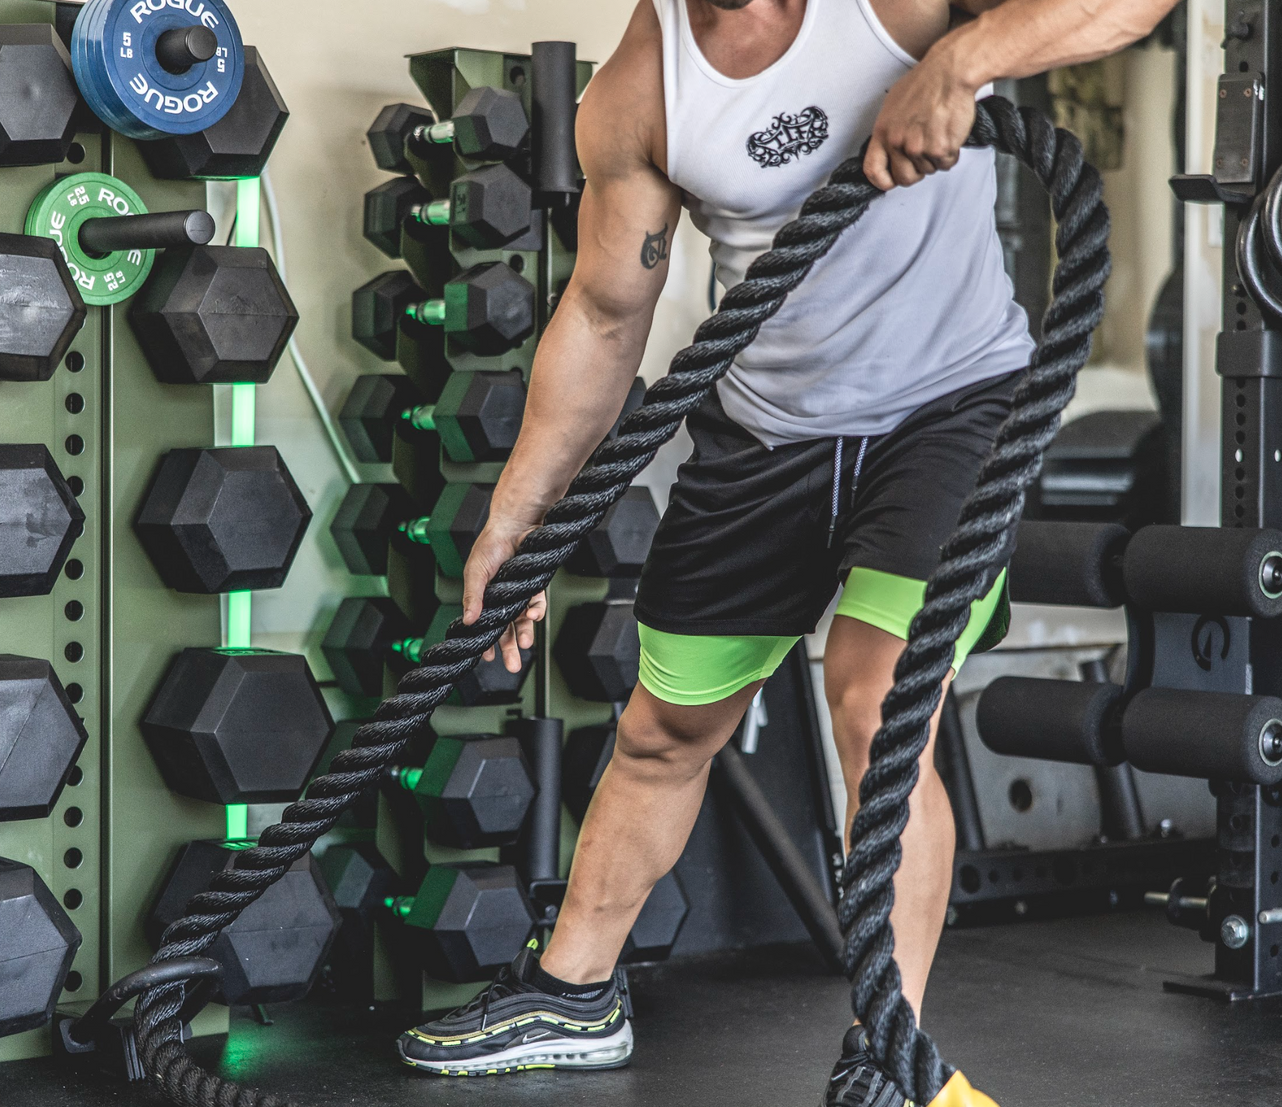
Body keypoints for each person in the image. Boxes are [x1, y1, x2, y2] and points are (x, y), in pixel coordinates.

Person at [397, 0, 1173, 1100]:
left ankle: (887, 1047)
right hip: (764, 430)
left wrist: (962, 61)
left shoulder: (895, 8)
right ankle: (573, 996)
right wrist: (517, 515)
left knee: (874, 698)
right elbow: (608, 310)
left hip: (948, 410)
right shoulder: (642, 85)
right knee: (664, 728)